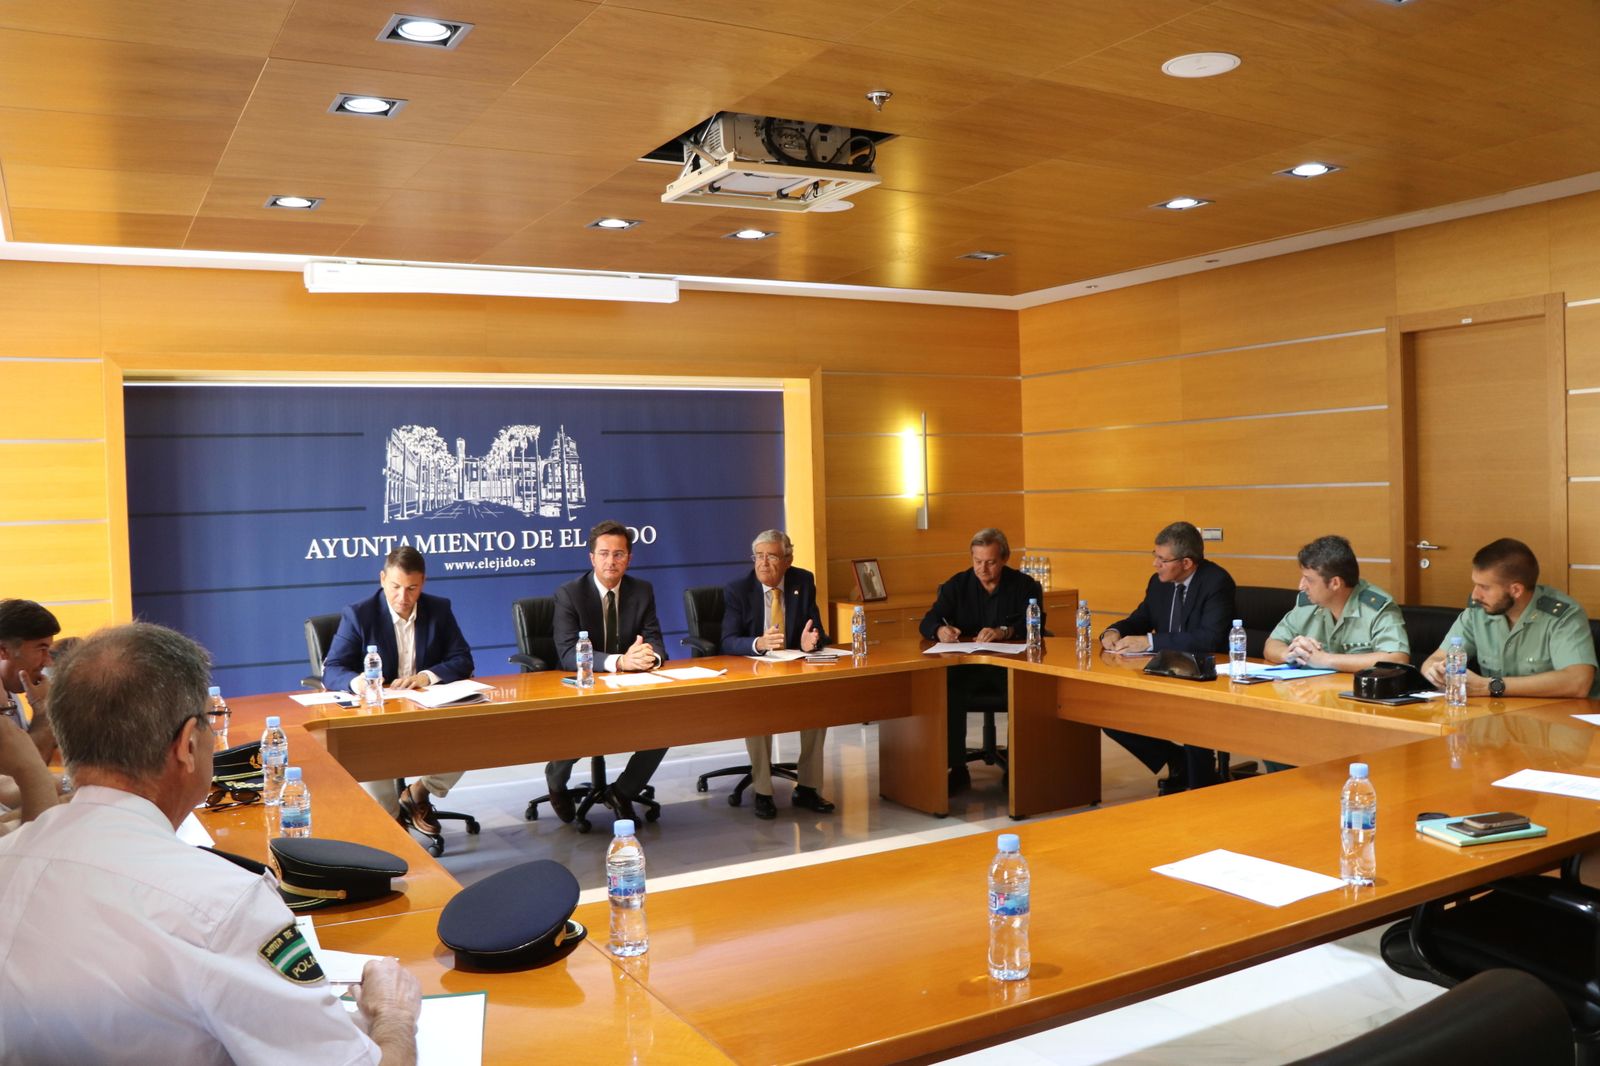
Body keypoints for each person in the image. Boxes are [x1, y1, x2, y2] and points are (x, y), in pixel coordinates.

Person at [0, 623, 422, 1064]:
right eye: (210, 720)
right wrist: (393, 1015)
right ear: (187, 744)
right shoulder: (223, 905)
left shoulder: (10, 858)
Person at [322, 546, 476, 835]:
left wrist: (426, 677)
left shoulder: (439, 609)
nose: (402, 597)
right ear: (382, 579)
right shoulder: (359, 615)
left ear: (423, 583)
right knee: (369, 747)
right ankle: (391, 821)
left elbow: (462, 659)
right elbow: (332, 669)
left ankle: (419, 792)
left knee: (472, 734)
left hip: (425, 709)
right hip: (378, 715)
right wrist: (359, 683)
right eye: (395, 587)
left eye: (411, 588)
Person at [1099, 522, 1237, 793]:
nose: (1155, 564)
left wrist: (1150, 641)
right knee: (1111, 715)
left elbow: (1209, 638)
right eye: (1155, 556)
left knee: (1193, 723)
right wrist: (1114, 631)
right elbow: (1141, 618)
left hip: (1203, 677)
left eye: (1162, 559)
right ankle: (1177, 760)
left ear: (1186, 563)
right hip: (1163, 672)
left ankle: (1201, 786)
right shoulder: (1158, 583)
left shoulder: (1217, 582)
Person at [548, 520, 670, 824]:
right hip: (584, 687)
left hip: (628, 687)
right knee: (577, 733)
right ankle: (556, 781)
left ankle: (623, 792)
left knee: (666, 725)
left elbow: (656, 640)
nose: (611, 561)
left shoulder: (642, 591)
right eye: (604, 554)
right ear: (592, 558)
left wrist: (649, 656)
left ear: (629, 558)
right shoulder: (569, 594)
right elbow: (567, 653)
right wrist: (620, 662)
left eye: (619, 554)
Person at [720, 529, 835, 820]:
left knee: (818, 707)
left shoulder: (802, 581)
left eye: (771, 556)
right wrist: (759, 643)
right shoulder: (738, 589)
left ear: (787, 560)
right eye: (758, 556)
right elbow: (727, 640)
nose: (763, 563)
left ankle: (808, 787)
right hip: (755, 673)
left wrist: (812, 642)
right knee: (757, 712)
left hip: (793, 668)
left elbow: (817, 631)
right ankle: (762, 791)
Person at [919, 528, 1042, 794]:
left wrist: (1004, 632)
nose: (982, 568)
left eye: (990, 562)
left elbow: (1037, 624)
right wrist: (940, 630)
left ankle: (1017, 768)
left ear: (1005, 558)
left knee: (1024, 690)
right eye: (977, 561)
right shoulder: (957, 585)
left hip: (1009, 666)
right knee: (948, 689)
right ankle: (956, 768)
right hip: (968, 668)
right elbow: (928, 620)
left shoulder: (1025, 586)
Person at [1421, 538, 1598, 698]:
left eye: (1484, 587)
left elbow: (1579, 682)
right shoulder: (1478, 612)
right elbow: (1435, 660)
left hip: (1556, 718)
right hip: (1497, 715)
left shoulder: (1563, 616)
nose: (1475, 595)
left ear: (1516, 590)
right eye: (1475, 584)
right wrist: (1435, 671)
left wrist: (1490, 686)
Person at [1265, 535, 1409, 672]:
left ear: (1335, 583)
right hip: (1314, 687)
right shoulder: (1308, 603)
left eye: (1309, 580)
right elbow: (1272, 644)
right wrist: (1289, 654)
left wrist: (1325, 660)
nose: (1301, 586)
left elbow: (1397, 659)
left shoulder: (1376, 607)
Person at [0, 598, 60, 762]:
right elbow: (24, 769)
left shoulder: (11, 688)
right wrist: (44, 711)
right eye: (41, 649)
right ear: (4, 650)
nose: (48, 662)